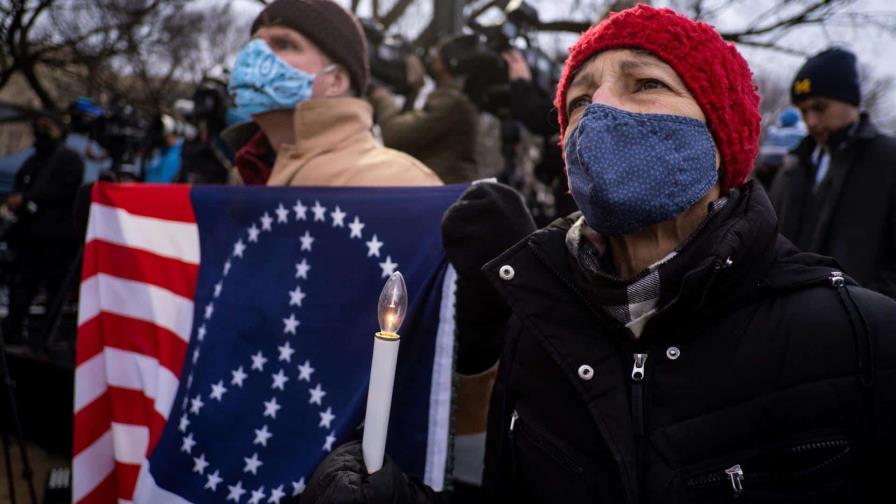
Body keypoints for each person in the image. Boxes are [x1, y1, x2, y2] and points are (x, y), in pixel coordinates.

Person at [303, 5, 896, 503]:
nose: (602, 111)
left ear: (722, 136)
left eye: (645, 84)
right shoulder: (536, 337)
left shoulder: (862, 337)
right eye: (580, 101)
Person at [225, 0, 440, 187]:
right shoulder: (245, 179)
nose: (254, 56)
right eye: (254, 44)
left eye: (284, 44)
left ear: (335, 81)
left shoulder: (400, 184)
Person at [772, 47, 896, 298]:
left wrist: (870, 308)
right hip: (789, 314)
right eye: (804, 111)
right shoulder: (796, 163)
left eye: (820, 107)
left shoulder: (887, 159)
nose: (811, 121)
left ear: (850, 101)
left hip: (861, 322)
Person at [2, 112, 84, 345]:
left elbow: (62, 190)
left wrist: (29, 198)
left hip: (56, 238)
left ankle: (45, 337)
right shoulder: (34, 159)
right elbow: (22, 182)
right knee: (24, 285)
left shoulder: (69, 160)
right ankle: (15, 329)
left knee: (53, 287)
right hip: (31, 236)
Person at [368, 38, 479, 184]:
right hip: (438, 187)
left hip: (443, 191)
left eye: (436, 56)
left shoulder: (452, 102)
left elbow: (394, 134)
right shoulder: (448, 97)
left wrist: (383, 98)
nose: (430, 59)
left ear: (447, 64)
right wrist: (415, 90)